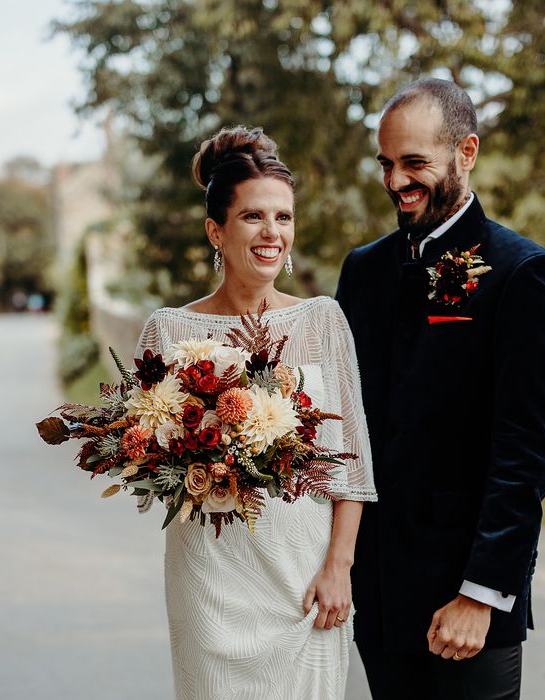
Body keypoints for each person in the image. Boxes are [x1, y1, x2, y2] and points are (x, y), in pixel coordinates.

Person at [335, 78, 545, 698]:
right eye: (386, 163)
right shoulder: (362, 271)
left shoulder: (524, 274)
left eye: (414, 163)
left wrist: (482, 594)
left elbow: (527, 452)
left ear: (466, 153)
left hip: (466, 607)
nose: (395, 181)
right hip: (376, 600)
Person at [134, 126, 377, 699]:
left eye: (284, 217)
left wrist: (339, 566)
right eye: (253, 217)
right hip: (210, 582)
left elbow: (354, 467)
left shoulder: (323, 322)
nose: (273, 233)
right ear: (216, 230)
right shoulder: (168, 331)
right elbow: (141, 457)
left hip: (305, 582)